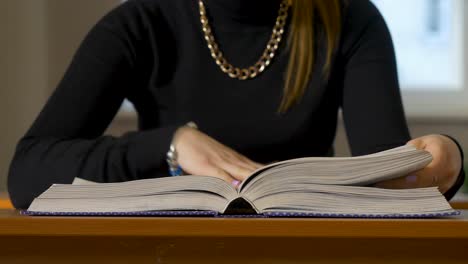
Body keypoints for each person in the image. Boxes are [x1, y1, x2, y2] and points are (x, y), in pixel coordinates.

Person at [8, 0, 465, 209]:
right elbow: (28, 171)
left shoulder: (349, 19)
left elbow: (391, 182)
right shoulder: (139, 23)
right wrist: (170, 144)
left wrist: (446, 160)